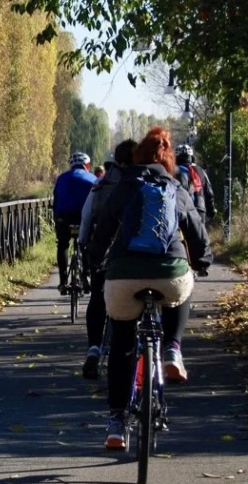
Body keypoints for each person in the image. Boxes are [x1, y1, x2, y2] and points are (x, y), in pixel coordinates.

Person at [87, 127, 212, 450]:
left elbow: (103, 229)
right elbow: (196, 232)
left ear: (137, 157)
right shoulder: (174, 185)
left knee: (122, 342)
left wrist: (95, 262)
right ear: (168, 160)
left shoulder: (125, 184)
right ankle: (172, 347)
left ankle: (116, 422)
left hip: (124, 273)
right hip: (169, 270)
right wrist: (202, 261)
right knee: (182, 286)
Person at [77, 139, 137, 379]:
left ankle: (94, 347)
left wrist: (84, 243)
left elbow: (87, 215)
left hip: (103, 250)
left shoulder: (101, 183)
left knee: (98, 296)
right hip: (134, 253)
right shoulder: (142, 183)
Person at [52, 151, 97, 294]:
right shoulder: (94, 179)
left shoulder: (61, 178)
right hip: (84, 218)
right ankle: (86, 277)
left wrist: (56, 217)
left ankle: (63, 282)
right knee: (87, 244)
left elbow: (56, 200)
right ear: (87, 165)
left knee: (63, 244)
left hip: (64, 217)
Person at [175, 144, 216, 224]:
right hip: (200, 210)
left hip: (181, 211)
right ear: (191, 157)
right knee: (200, 235)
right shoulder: (201, 171)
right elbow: (209, 193)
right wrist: (211, 211)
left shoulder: (173, 171)